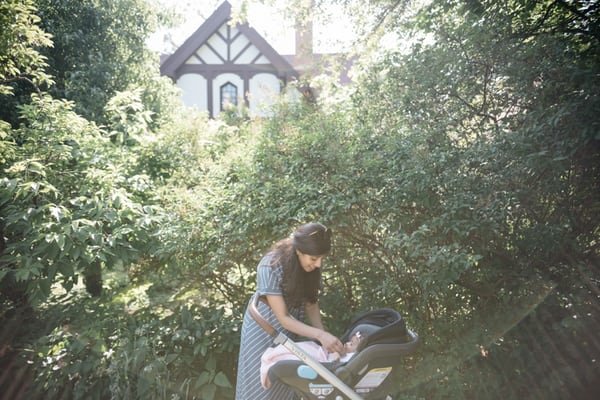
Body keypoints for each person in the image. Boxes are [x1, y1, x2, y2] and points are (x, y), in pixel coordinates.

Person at [235, 222, 344, 400]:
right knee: (261, 387)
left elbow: (311, 304)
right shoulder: (270, 265)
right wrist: (320, 336)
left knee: (287, 383)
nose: (318, 264)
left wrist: (325, 341)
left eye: (321, 259)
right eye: (314, 259)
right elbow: (283, 318)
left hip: (289, 331)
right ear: (299, 251)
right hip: (263, 329)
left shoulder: (309, 266)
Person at [260, 331, 365, 389]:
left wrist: (336, 355)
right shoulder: (347, 354)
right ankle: (280, 352)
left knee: (303, 356)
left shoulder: (352, 357)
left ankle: (303, 367)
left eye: (351, 344)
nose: (346, 343)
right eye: (348, 341)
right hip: (323, 357)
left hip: (328, 367)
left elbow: (336, 363)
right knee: (308, 348)